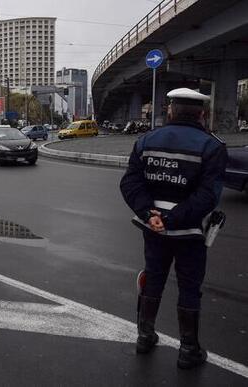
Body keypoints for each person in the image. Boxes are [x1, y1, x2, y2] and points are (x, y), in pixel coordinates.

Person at [120, 88, 227, 369]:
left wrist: (150, 214)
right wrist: (174, 219)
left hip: (153, 230)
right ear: (201, 114)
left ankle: (144, 336)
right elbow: (208, 196)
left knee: (153, 278)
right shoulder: (212, 146)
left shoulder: (146, 141)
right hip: (190, 234)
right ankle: (188, 350)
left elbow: (130, 183)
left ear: (170, 111)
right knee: (190, 287)